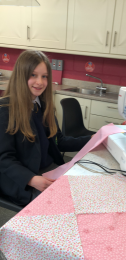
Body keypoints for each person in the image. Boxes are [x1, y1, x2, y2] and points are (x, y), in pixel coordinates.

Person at [0, 50, 92, 206]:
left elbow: (59, 141)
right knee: (69, 205)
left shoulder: (42, 106)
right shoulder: (5, 110)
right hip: (24, 181)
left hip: (50, 170)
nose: (40, 82)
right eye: (33, 75)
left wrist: (92, 140)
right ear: (21, 76)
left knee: (85, 192)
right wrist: (32, 179)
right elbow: (4, 158)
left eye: (44, 76)